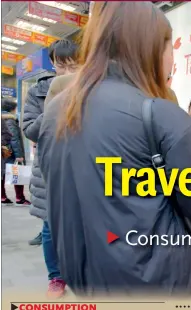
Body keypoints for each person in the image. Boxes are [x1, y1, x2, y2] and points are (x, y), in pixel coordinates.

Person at [37, 2, 191, 296]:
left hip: (85, 277)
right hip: (155, 282)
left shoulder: (56, 111)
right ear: (152, 48)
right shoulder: (159, 114)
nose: (173, 60)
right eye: (171, 47)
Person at [21, 38, 80, 297]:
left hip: (84, 169)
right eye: (61, 66)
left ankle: (80, 272)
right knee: (50, 226)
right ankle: (55, 277)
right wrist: (55, 104)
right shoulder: (38, 91)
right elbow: (30, 130)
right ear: (53, 64)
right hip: (51, 169)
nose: (67, 73)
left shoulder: (94, 89)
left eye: (73, 66)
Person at [1, 99, 29, 206]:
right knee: (18, 173)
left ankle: (2, 197)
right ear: (12, 109)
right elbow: (14, 139)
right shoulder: (9, 121)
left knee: (2, 175)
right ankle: (20, 198)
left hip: (4, 152)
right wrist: (19, 155)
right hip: (10, 153)